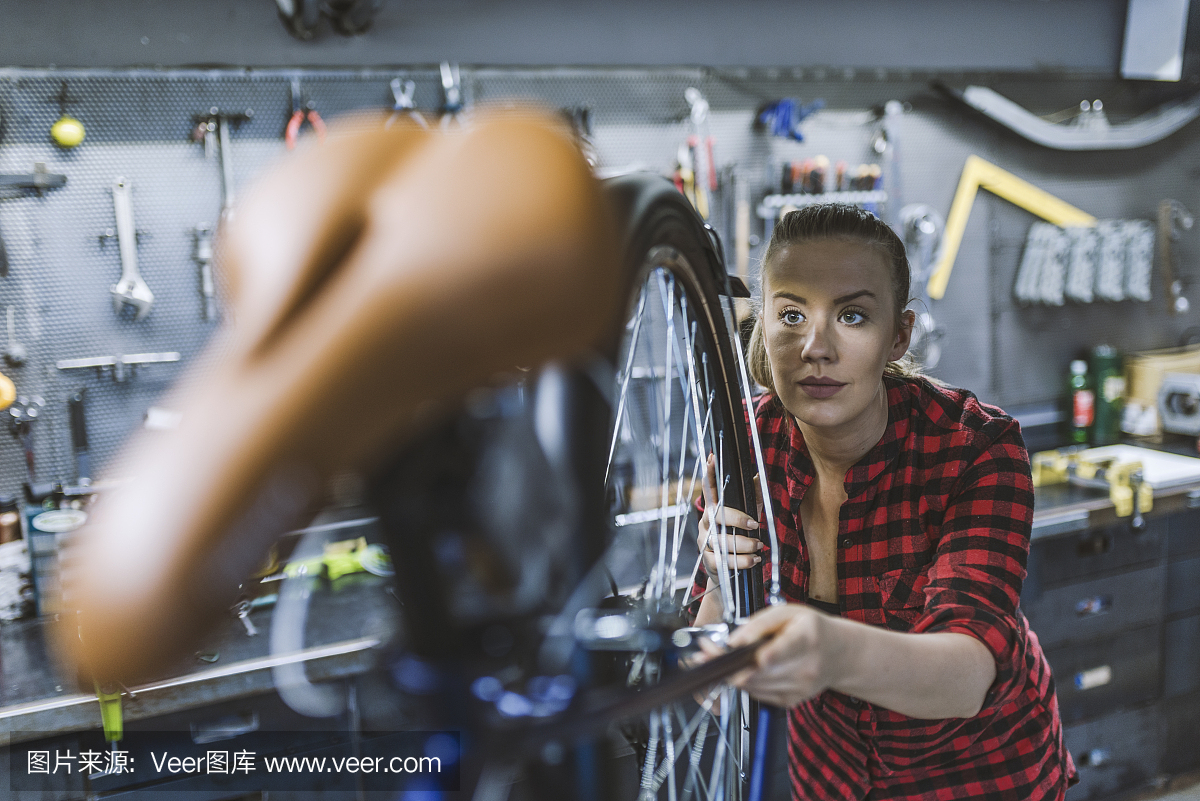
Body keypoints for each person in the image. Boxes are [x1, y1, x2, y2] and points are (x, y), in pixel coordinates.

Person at [693, 204, 1077, 801]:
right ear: (762, 322)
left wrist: (828, 649)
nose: (815, 347)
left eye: (852, 315)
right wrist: (721, 584)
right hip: (829, 777)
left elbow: (966, 675)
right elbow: (708, 681)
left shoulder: (975, 449)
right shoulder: (743, 444)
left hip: (980, 775)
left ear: (898, 334)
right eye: (791, 313)